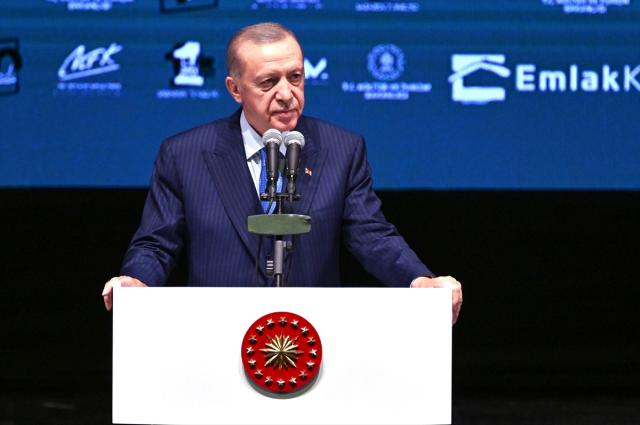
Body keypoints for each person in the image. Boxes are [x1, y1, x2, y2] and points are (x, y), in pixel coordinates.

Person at [102, 22, 462, 324]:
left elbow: (371, 235)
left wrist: (418, 280)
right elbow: (157, 242)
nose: (287, 94)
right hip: (215, 335)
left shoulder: (341, 150)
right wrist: (136, 281)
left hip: (312, 342)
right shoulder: (185, 154)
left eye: (295, 77)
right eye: (268, 82)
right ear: (235, 89)